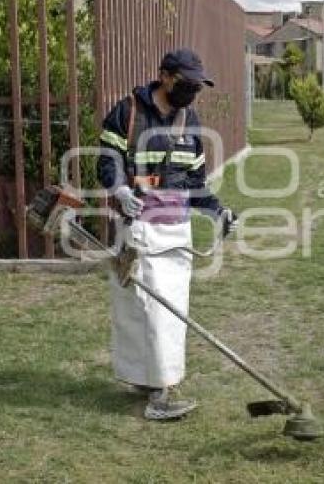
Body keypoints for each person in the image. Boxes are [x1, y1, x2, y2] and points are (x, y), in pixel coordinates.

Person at [97, 48, 238, 421]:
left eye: (197, 85)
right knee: (146, 310)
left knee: (169, 313)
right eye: (186, 82)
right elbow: (107, 159)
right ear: (164, 75)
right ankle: (159, 394)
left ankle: (152, 381)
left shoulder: (189, 120)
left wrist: (218, 210)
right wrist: (119, 189)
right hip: (138, 225)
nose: (192, 90)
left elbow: (195, 181)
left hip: (177, 230)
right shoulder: (128, 112)